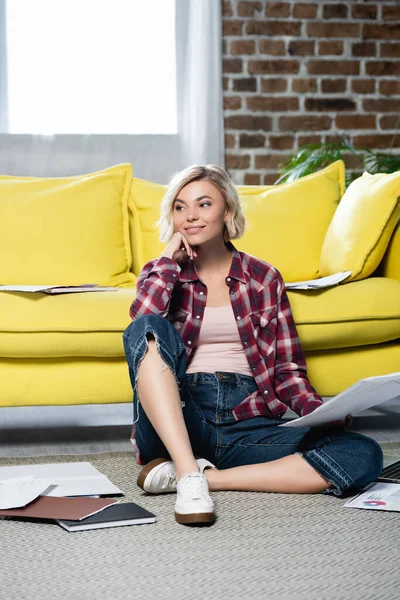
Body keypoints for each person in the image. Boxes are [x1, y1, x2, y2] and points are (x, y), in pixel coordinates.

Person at [123, 164, 383, 526]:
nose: (191, 217)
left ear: (227, 210)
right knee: (148, 326)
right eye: (180, 207)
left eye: (203, 205)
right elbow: (141, 325)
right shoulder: (161, 271)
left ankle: (202, 478)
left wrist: (322, 412)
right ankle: (185, 468)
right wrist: (168, 262)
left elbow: (288, 369)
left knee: (363, 453)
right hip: (179, 416)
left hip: (245, 422)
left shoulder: (263, 278)